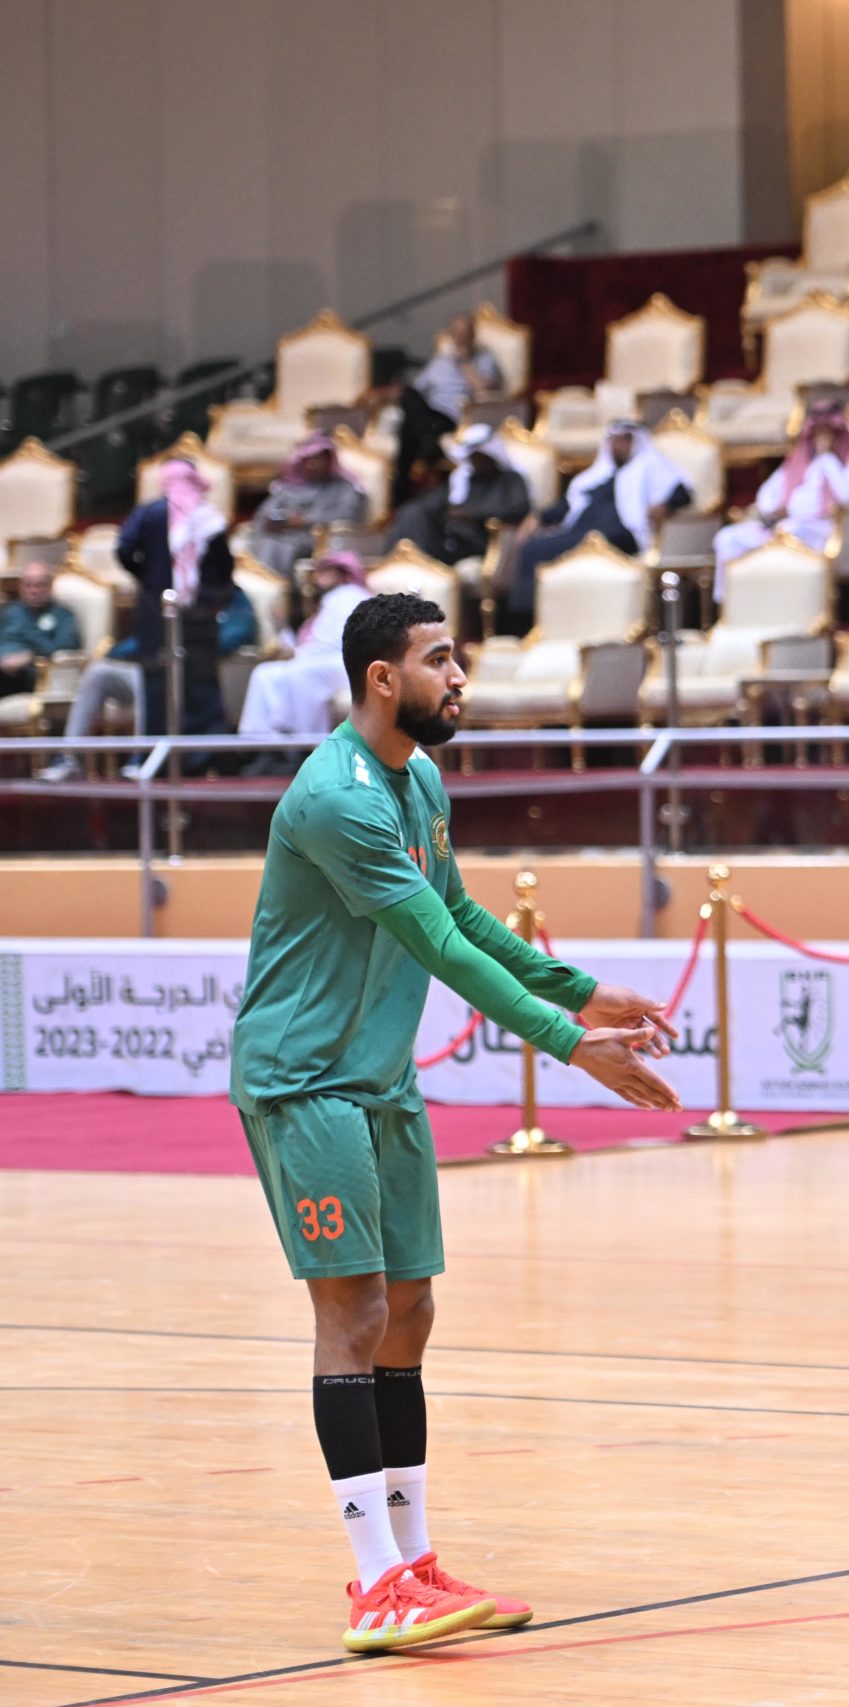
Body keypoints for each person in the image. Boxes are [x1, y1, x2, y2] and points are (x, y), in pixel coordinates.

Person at [229, 590, 683, 1652]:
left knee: (410, 1310)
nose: (460, 677)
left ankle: (417, 1561)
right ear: (383, 679)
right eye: (440, 659)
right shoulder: (336, 798)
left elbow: (465, 913)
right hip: (306, 1081)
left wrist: (579, 991)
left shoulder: (419, 780)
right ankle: (374, 1583)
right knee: (352, 1312)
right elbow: (435, 943)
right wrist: (568, 1042)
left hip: (379, 1079)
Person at [37, 585, 257, 782]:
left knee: (152, 677)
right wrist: (115, 653)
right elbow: (145, 640)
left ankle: (142, 758)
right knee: (99, 672)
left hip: (197, 678)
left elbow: (235, 637)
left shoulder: (233, 599)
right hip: (159, 668)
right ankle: (69, 759)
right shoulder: (175, 592)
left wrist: (191, 642)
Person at [508, 420, 691, 623]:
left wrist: (664, 506)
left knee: (547, 548)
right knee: (534, 546)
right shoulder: (598, 475)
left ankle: (525, 620)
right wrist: (538, 517)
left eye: (623, 441)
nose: (617, 446)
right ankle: (532, 618)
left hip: (620, 533)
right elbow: (569, 504)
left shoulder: (650, 466)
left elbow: (681, 492)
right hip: (581, 530)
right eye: (614, 441)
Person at [118, 458, 237, 739]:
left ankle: (157, 748)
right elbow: (225, 568)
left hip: (156, 610)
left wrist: (147, 578)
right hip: (199, 613)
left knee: (157, 682)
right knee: (200, 683)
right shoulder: (209, 516)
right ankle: (203, 754)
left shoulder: (148, 513)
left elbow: (124, 550)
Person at [712, 401, 849, 592]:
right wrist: (775, 508)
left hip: (821, 528)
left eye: (828, 432)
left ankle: (780, 597)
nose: (821, 438)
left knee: (788, 533)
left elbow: (847, 496)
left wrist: (827, 458)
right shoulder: (800, 460)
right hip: (782, 523)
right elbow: (767, 494)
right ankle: (730, 602)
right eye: (817, 432)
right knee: (727, 538)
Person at [238, 552, 369, 768]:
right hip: (319, 660)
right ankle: (265, 746)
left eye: (325, 572)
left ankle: (305, 748)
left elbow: (333, 642)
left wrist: (298, 655)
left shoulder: (349, 595)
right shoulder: (327, 601)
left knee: (302, 674)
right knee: (265, 673)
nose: (318, 578)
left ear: (341, 574)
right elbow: (307, 642)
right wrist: (282, 625)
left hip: (348, 664)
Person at [392, 315, 509, 503]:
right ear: (451, 335)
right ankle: (428, 438)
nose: (460, 337)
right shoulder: (440, 361)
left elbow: (484, 389)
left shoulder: (484, 359)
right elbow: (417, 388)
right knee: (408, 395)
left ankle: (400, 490)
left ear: (472, 335)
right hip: (430, 415)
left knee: (408, 431)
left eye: (465, 332)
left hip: (454, 417)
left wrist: (464, 363)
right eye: (456, 332)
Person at [385, 423, 532, 567]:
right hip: (448, 537)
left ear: (491, 455)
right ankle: (393, 562)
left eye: (479, 456)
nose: (475, 461)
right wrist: (448, 509)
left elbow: (518, 508)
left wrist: (472, 514)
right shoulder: (463, 480)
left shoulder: (510, 480)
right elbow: (432, 503)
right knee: (412, 512)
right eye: (472, 456)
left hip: (478, 539)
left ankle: (415, 563)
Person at [249, 435, 372, 578]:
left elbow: (348, 516)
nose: (312, 464)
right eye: (308, 459)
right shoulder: (290, 485)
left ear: (329, 460)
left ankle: (278, 585)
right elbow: (263, 513)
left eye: (318, 459)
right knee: (262, 543)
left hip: (313, 541)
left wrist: (305, 520)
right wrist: (275, 521)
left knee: (276, 547)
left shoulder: (344, 488)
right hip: (280, 535)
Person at [0, 561, 84, 696]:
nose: (34, 591)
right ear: (21, 588)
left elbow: (65, 648)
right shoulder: (11, 611)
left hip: (30, 674)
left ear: (50, 587)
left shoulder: (62, 615)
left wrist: (29, 656)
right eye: (28, 585)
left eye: (39, 585)